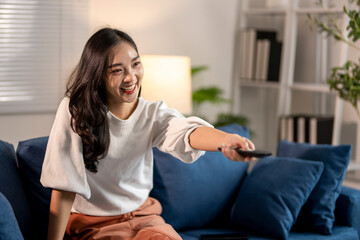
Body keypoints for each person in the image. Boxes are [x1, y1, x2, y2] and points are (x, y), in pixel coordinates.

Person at [40, 27, 255, 240]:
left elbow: (186, 132)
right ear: (97, 74)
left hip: (145, 219)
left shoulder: (151, 113)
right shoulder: (74, 112)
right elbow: (63, 188)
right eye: (117, 70)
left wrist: (226, 140)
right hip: (96, 225)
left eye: (135, 64)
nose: (130, 77)